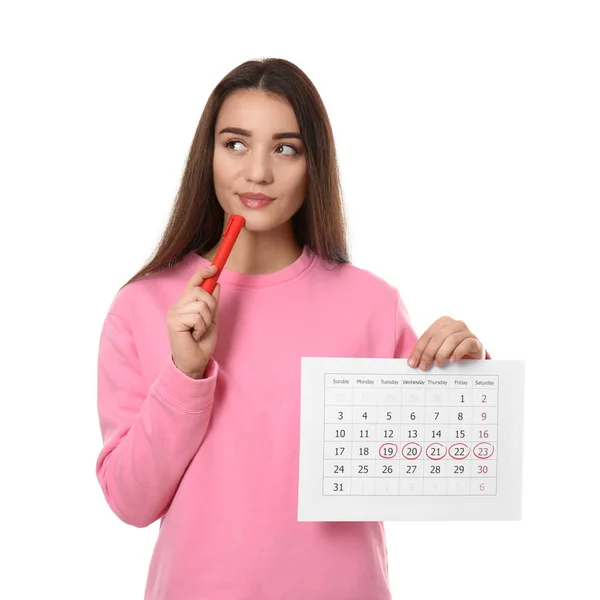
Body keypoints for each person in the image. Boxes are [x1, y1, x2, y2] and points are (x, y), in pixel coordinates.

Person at [95, 57, 491, 600]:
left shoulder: (370, 305)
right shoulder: (142, 307)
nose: (257, 172)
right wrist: (185, 373)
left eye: (286, 148)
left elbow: (450, 472)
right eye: (235, 143)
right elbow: (130, 502)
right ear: (206, 156)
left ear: (314, 163)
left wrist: (470, 379)